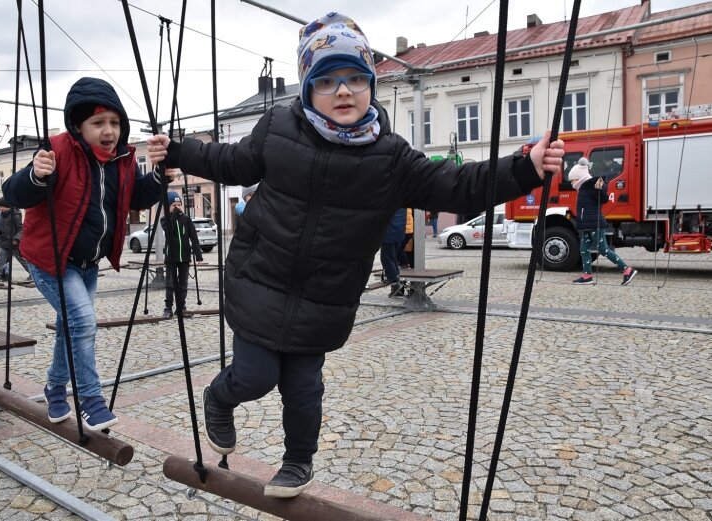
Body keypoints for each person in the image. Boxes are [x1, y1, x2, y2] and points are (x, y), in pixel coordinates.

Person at [146, 12, 565, 498]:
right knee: (256, 376)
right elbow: (230, 160)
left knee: (304, 388)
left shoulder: (390, 157)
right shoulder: (279, 126)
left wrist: (524, 168)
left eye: (354, 79)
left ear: (370, 87)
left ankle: (297, 464)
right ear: (306, 88)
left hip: (325, 295)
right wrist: (179, 151)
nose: (341, 91)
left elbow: (455, 185)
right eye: (325, 80)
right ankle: (219, 397)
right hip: (260, 277)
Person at [3, 77, 170, 431]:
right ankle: (91, 399)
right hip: (50, 258)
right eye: (98, 123)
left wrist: (158, 176)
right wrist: (35, 175)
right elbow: (13, 194)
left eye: (114, 122)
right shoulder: (57, 150)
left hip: (87, 263)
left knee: (70, 326)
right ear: (79, 126)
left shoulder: (123, 159)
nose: (108, 131)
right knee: (82, 322)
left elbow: (135, 198)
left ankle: (53, 387)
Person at [568, 158, 636, 286]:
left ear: (579, 177)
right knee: (584, 249)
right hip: (587, 225)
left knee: (603, 249)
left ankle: (627, 270)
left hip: (595, 224)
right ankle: (587, 275)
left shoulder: (591, 185)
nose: (571, 182)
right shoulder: (583, 187)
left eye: (573, 179)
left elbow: (604, 199)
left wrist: (599, 189)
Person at [161, 191, 203, 319]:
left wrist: (198, 254)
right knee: (170, 283)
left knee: (183, 283)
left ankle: (181, 307)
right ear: (168, 207)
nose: (177, 207)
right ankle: (168, 308)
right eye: (174, 205)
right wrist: (173, 216)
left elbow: (194, 237)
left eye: (179, 204)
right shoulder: (165, 220)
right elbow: (169, 232)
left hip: (184, 257)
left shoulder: (186, 219)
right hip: (171, 258)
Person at [0, 197, 31, 283]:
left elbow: (21, 229)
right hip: (5, 242)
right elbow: (4, 228)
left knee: (21, 260)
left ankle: (32, 274)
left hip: (14, 243)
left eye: (1, 206)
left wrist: (16, 239)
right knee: (0, 259)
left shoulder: (15, 214)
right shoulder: (4, 215)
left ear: (6, 206)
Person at [380, 208, 406, 297]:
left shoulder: (390, 201)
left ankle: (395, 282)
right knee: (392, 257)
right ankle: (396, 276)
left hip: (389, 233)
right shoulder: (402, 203)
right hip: (400, 233)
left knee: (386, 258)